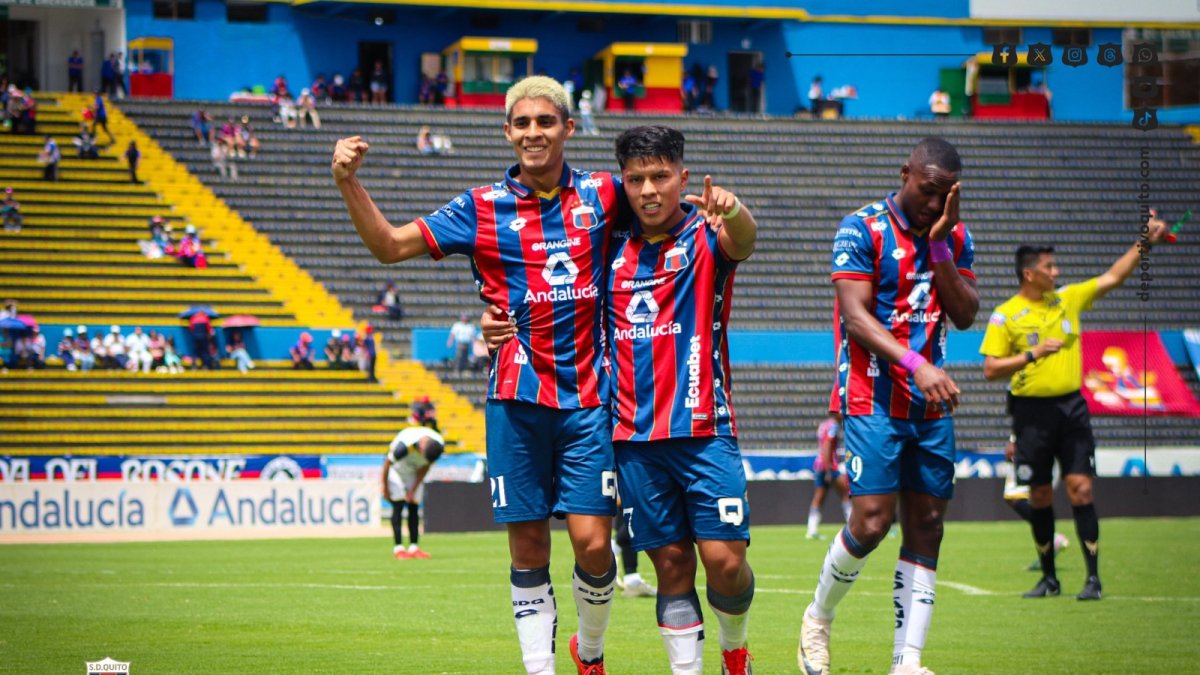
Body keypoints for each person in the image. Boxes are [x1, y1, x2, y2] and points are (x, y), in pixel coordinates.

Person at [333, 75, 626, 675]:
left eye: (545, 122)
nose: (533, 133)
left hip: (590, 399)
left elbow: (662, 217)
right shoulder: (479, 206)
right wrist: (348, 181)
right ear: (507, 132)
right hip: (515, 398)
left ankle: (589, 652)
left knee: (595, 547)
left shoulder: (606, 194)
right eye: (521, 124)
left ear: (569, 129)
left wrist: (726, 215)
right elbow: (389, 246)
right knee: (528, 545)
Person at [484, 125, 759, 674]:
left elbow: (744, 242)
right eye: (636, 180)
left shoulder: (706, 236)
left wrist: (734, 209)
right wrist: (496, 320)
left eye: (660, 177)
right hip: (632, 437)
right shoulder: (606, 248)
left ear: (683, 179)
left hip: (706, 428)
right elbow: (545, 288)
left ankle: (736, 648)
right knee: (672, 564)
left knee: (725, 563)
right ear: (623, 185)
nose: (649, 190)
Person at [798, 137, 978, 675]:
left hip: (930, 409)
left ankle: (908, 661)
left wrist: (942, 245)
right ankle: (817, 618)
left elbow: (965, 314)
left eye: (943, 195)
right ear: (906, 173)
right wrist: (916, 364)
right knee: (873, 522)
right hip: (871, 397)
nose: (931, 203)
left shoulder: (956, 235)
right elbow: (855, 316)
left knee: (927, 525)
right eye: (927, 191)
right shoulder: (862, 227)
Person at [979, 211, 1169, 601]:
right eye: (1050, 266)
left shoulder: (1067, 299)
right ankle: (1049, 579)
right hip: (1030, 415)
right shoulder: (1006, 315)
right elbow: (991, 369)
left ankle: (1093, 579)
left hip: (1071, 409)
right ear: (1029, 274)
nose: (1056, 271)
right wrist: (1032, 355)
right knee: (1040, 496)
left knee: (1081, 489)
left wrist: (1144, 243)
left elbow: (1113, 277)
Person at [1001, 433, 1069, 571]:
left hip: (1033, 445)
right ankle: (1049, 548)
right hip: (1050, 443)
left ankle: (1051, 539)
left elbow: (1030, 413)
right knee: (1036, 498)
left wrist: (1014, 440)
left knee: (1014, 495)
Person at [383, 420, 445, 559]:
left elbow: (425, 466)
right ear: (422, 448)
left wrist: (413, 488)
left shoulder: (438, 445)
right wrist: (385, 488)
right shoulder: (403, 447)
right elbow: (387, 464)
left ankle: (413, 548)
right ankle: (398, 548)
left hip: (414, 472)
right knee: (398, 506)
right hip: (397, 470)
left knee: (414, 506)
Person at [806, 414, 851, 540]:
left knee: (819, 497)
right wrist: (828, 470)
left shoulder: (823, 425)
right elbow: (827, 445)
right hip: (829, 466)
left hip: (819, 464)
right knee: (845, 493)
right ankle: (853, 527)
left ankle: (811, 530)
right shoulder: (833, 426)